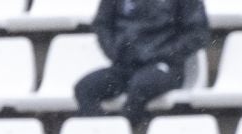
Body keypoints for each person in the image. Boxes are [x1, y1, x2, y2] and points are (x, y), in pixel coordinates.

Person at [75, 0, 211, 124]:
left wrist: (164, 54)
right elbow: (102, 24)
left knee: (140, 85)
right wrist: (115, 51)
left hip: (165, 67)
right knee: (85, 88)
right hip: (125, 66)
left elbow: (198, 33)